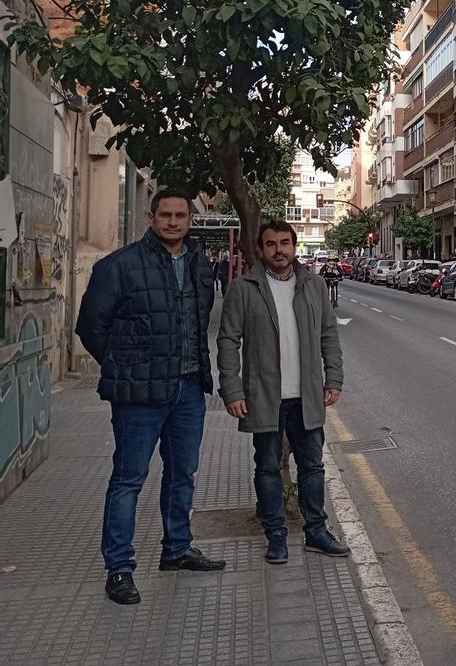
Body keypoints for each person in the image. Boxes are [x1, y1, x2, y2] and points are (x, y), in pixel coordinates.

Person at [75, 188, 225, 606]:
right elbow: (91, 327)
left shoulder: (199, 265)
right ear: (151, 217)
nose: (174, 221)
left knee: (183, 474)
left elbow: (197, 323)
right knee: (128, 480)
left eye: (181, 215)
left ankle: (176, 549)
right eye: (166, 215)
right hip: (139, 395)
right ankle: (119, 567)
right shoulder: (119, 266)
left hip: (189, 390)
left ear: (190, 220)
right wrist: (124, 365)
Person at [217, 220, 349, 564]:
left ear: (294, 246)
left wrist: (333, 378)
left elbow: (329, 336)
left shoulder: (314, 285)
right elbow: (228, 341)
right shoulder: (243, 288)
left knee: (312, 467)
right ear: (260, 250)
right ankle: (276, 536)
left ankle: (317, 532)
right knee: (267, 467)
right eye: (272, 244)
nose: (279, 250)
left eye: (285, 243)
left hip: (306, 395)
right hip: (265, 396)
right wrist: (231, 390)